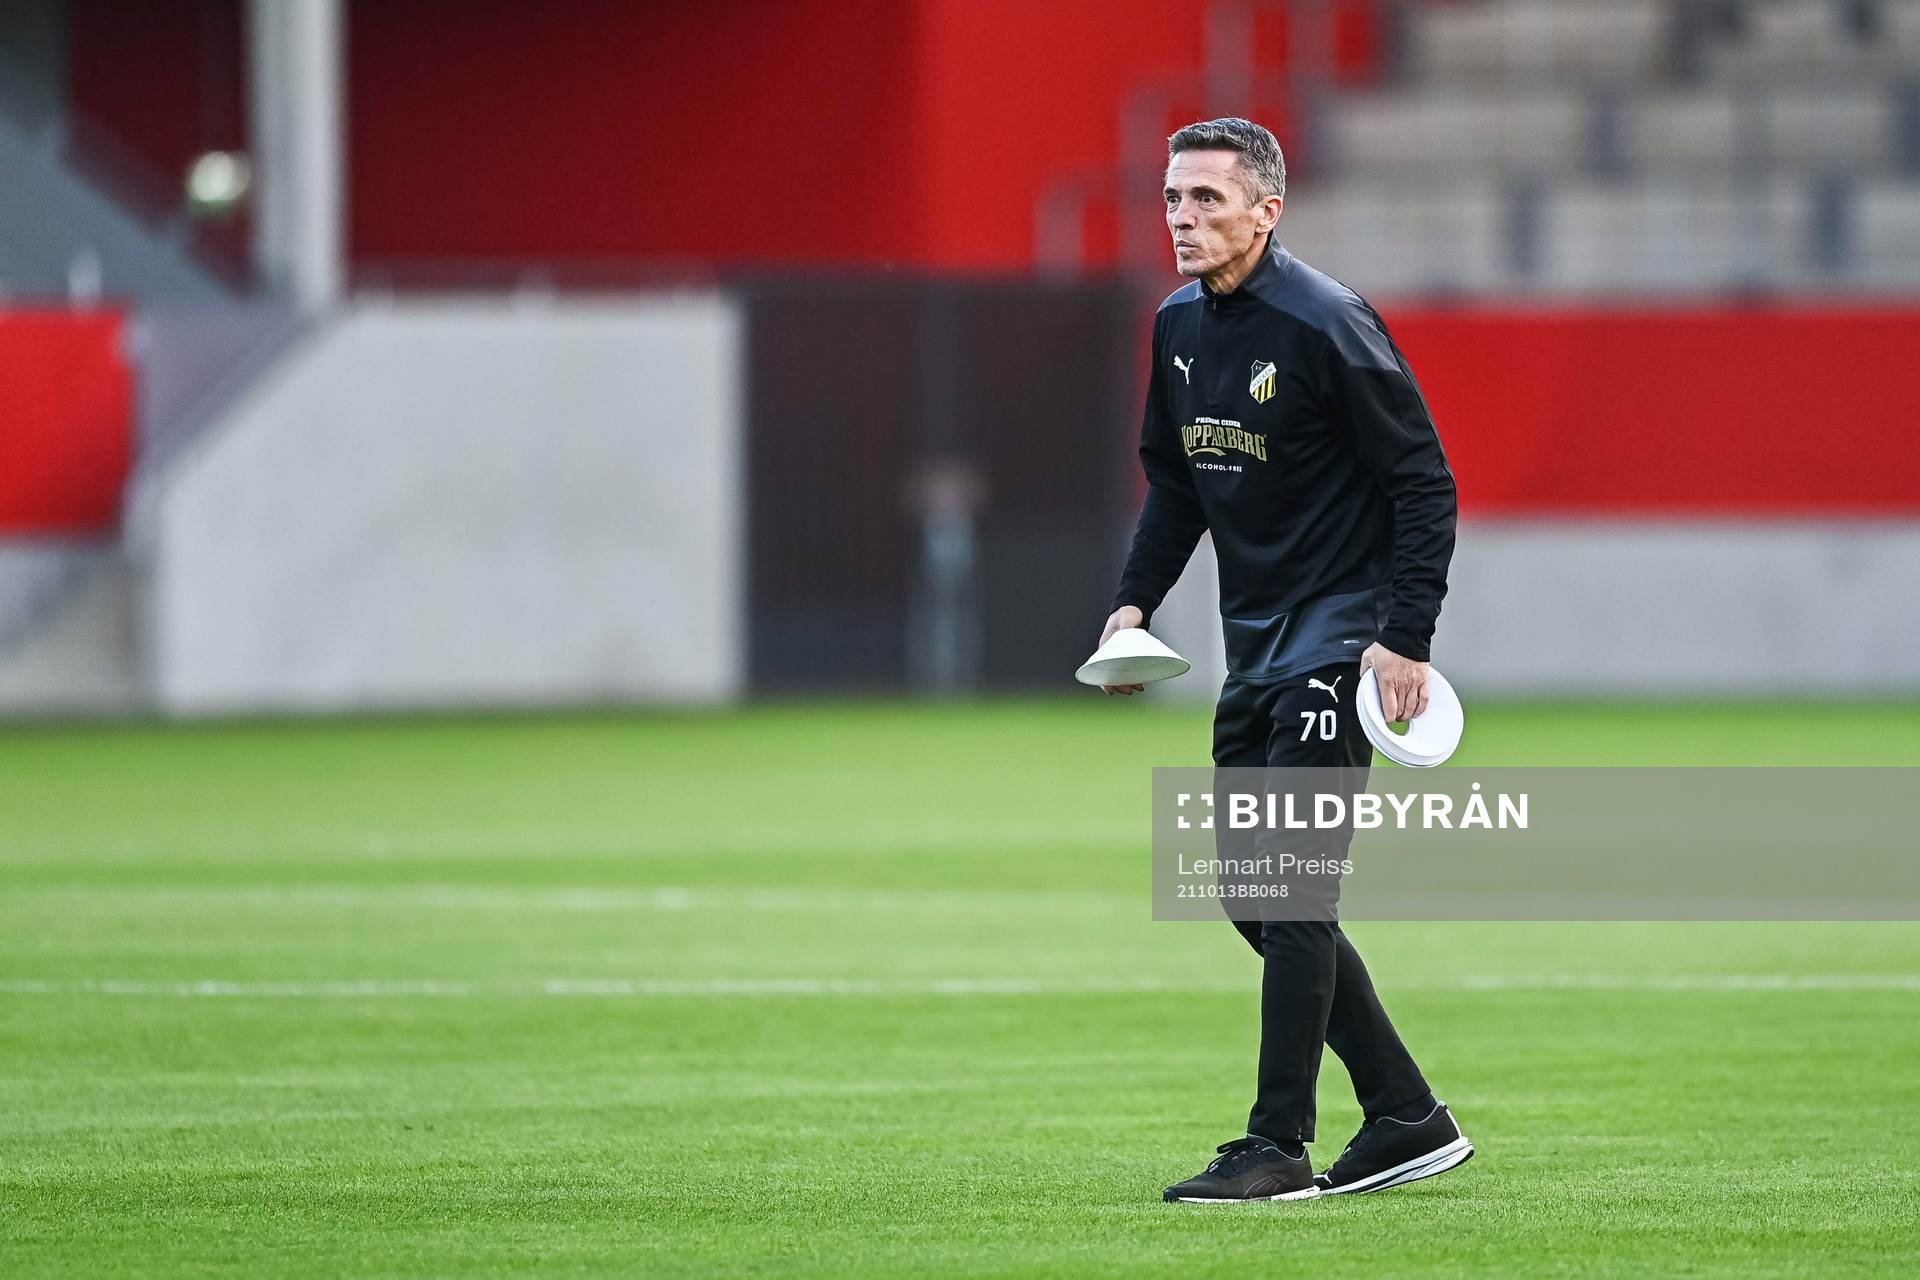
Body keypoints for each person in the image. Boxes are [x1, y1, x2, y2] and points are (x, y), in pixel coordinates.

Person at [1098, 117, 1472, 1202]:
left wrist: (1404, 636)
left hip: (1341, 644)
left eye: (1208, 199)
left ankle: (1278, 1143)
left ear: (1268, 210)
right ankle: (1405, 1114)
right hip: (1253, 648)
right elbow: (1176, 484)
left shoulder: (1328, 322)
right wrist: (1130, 604)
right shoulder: (1174, 324)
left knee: (1292, 892)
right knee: (1253, 896)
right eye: (1173, 197)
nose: (1182, 217)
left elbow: (1424, 482)